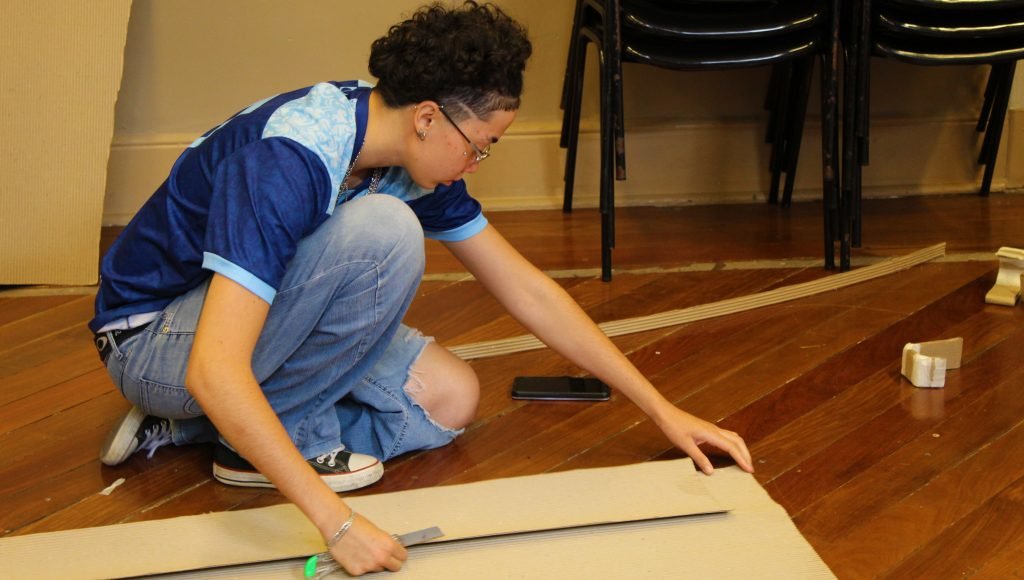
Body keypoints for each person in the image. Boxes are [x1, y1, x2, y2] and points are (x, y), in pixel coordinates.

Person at [90, 1, 753, 575]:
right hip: (154, 342)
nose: (477, 163)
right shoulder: (288, 158)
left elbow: (525, 290)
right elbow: (213, 363)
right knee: (384, 230)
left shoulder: (399, 152)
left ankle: (205, 427)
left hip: (243, 330)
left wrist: (661, 408)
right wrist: (338, 525)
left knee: (450, 398)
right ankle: (236, 436)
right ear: (429, 117)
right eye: (481, 145)